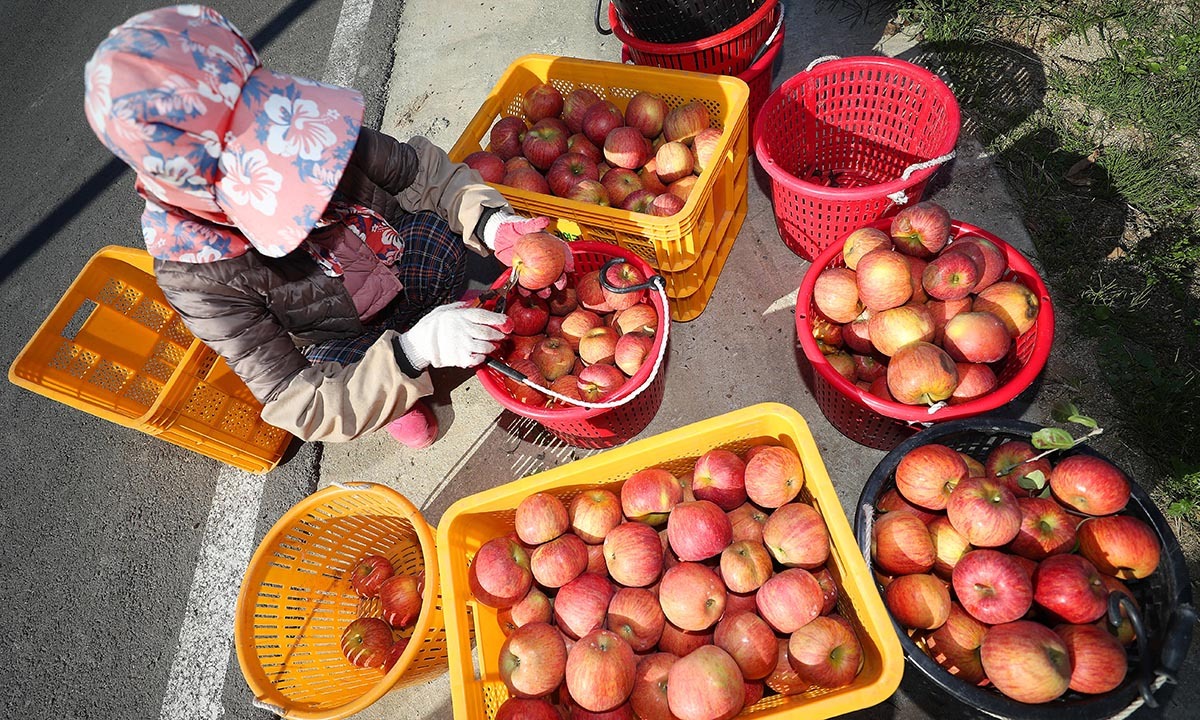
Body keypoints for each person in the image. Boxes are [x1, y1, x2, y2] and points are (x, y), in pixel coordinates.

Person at [83, 5, 567, 449]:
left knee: (439, 234)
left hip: (393, 257)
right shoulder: (198, 276)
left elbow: (422, 173)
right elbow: (301, 403)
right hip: (341, 328)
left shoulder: (313, 128)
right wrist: (413, 354)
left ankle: (431, 327)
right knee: (335, 373)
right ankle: (396, 382)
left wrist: (489, 220)